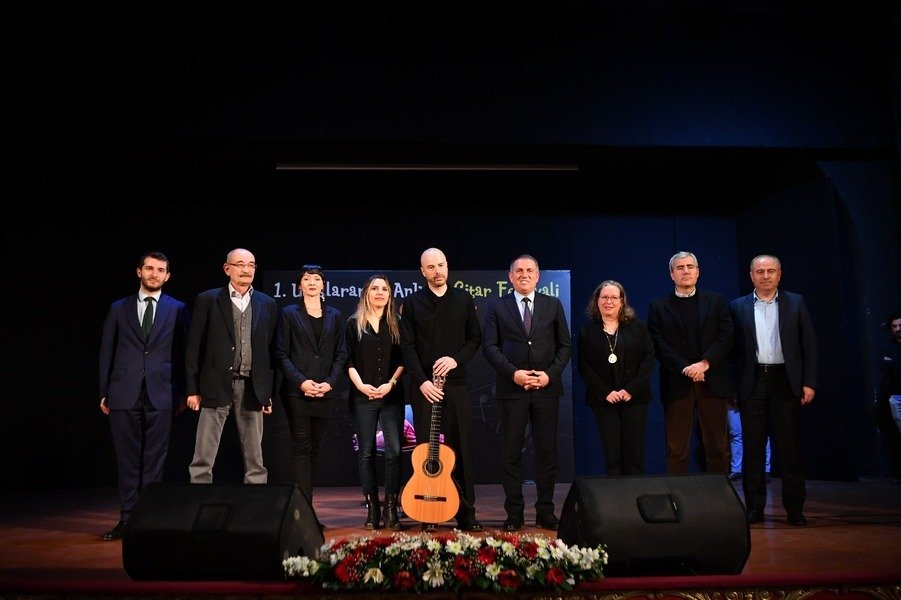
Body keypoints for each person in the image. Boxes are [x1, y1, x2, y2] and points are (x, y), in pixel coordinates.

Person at [98, 251, 189, 541]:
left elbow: (184, 353)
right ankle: (126, 519)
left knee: (155, 460)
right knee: (127, 460)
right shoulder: (118, 308)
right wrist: (104, 391)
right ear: (139, 271)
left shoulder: (177, 308)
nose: (154, 274)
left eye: (160, 270)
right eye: (149, 268)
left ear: (167, 276)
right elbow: (106, 351)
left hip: (162, 394)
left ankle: (147, 520)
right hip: (123, 392)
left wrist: (184, 391)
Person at [482, 254, 572, 532]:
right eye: (518, 270)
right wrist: (514, 374)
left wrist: (549, 375)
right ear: (510, 276)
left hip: (546, 389)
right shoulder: (497, 306)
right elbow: (490, 347)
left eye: (529, 270)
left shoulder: (553, 304)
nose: (524, 274)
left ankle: (546, 512)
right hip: (512, 389)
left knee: (546, 452)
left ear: (538, 276)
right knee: (511, 454)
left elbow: (565, 346)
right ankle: (515, 514)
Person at [399, 247, 484, 532]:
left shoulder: (463, 299)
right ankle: (427, 512)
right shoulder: (411, 304)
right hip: (423, 388)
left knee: (460, 449)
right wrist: (422, 381)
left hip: (456, 385)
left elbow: (475, 339)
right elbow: (407, 347)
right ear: (422, 272)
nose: (438, 271)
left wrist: (455, 359)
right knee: (425, 450)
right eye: (431, 267)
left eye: (442, 265)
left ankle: (467, 512)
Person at [731, 254, 817, 526]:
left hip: (785, 381)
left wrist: (809, 382)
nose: (765, 276)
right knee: (753, 449)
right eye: (760, 271)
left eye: (771, 271)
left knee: (790, 449)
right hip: (753, 382)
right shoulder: (738, 307)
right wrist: (734, 388)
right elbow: (732, 353)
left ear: (779, 274)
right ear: (751, 275)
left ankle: (794, 510)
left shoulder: (796, 302)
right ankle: (754, 509)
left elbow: (809, 346)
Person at [185, 248, 277, 485]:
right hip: (214, 386)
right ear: (227, 269)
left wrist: (266, 393)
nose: (246, 270)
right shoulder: (208, 300)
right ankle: (199, 497)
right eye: (240, 264)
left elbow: (269, 352)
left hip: (252, 387)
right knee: (204, 452)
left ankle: (255, 504)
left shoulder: (266, 303)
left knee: (255, 456)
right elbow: (194, 347)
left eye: (251, 265)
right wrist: (192, 389)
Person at [647, 251, 734, 475]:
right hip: (677, 382)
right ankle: (679, 501)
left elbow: (726, 336)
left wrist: (704, 363)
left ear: (698, 272)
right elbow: (657, 343)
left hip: (712, 380)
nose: (685, 271)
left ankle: (719, 498)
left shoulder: (716, 301)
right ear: (671, 274)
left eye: (690, 267)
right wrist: (686, 367)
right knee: (676, 449)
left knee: (718, 446)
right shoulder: (658, 306)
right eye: (680, 268)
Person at [275, 264, 347, 511]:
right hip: (298, 392)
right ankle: (302, 508)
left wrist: (329, 383)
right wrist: (302, 381)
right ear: (300, 285)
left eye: (317, 279)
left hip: (325, 392)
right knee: (301, 446)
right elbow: (282, 353)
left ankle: (307, 503)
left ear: (323, 285)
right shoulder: (288, 313)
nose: (312, 283)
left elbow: (341, 353)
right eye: (307, 279)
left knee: (315, 448)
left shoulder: (335, 315)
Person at [345, 274, 405, 530]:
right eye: (374, 289)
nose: (380, 293)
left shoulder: (398, 323)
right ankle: (373, 510)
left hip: (391, 396)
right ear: (366, 293)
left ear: (390, 295)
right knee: (366, 453)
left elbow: (403, 360)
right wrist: (362, 386)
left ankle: (391, 508)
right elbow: (347, 360)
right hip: (362, 396)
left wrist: (389, 384)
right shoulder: (352, 324)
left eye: (384, 289)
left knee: (394, 451)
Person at [578, 280, 656, 477]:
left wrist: (631, 389)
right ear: (597, 301)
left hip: (634, 399)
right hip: (604, 401)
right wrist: (606, 392)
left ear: (622, 302)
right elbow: (584, 366)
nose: (608, 301)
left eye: (614, 297)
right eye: (604, 297)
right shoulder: (587, 332)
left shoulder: (638, 328)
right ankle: (617, 503)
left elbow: (648, 360)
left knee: (634, 455)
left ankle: (636, 501)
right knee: (612, 456)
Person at [875, 310, 901, 483]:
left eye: (900, 325)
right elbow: (883, 365)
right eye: (894, 326)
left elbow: (892, 364)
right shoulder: (886, 346)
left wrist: (894, 363)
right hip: (896, 396)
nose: (898, 329)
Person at [727, 404, 771, 481]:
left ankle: (765, 469)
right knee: (735, 434)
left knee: (761, 432)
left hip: (755, 398)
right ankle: (736, 470)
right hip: (732, 400)